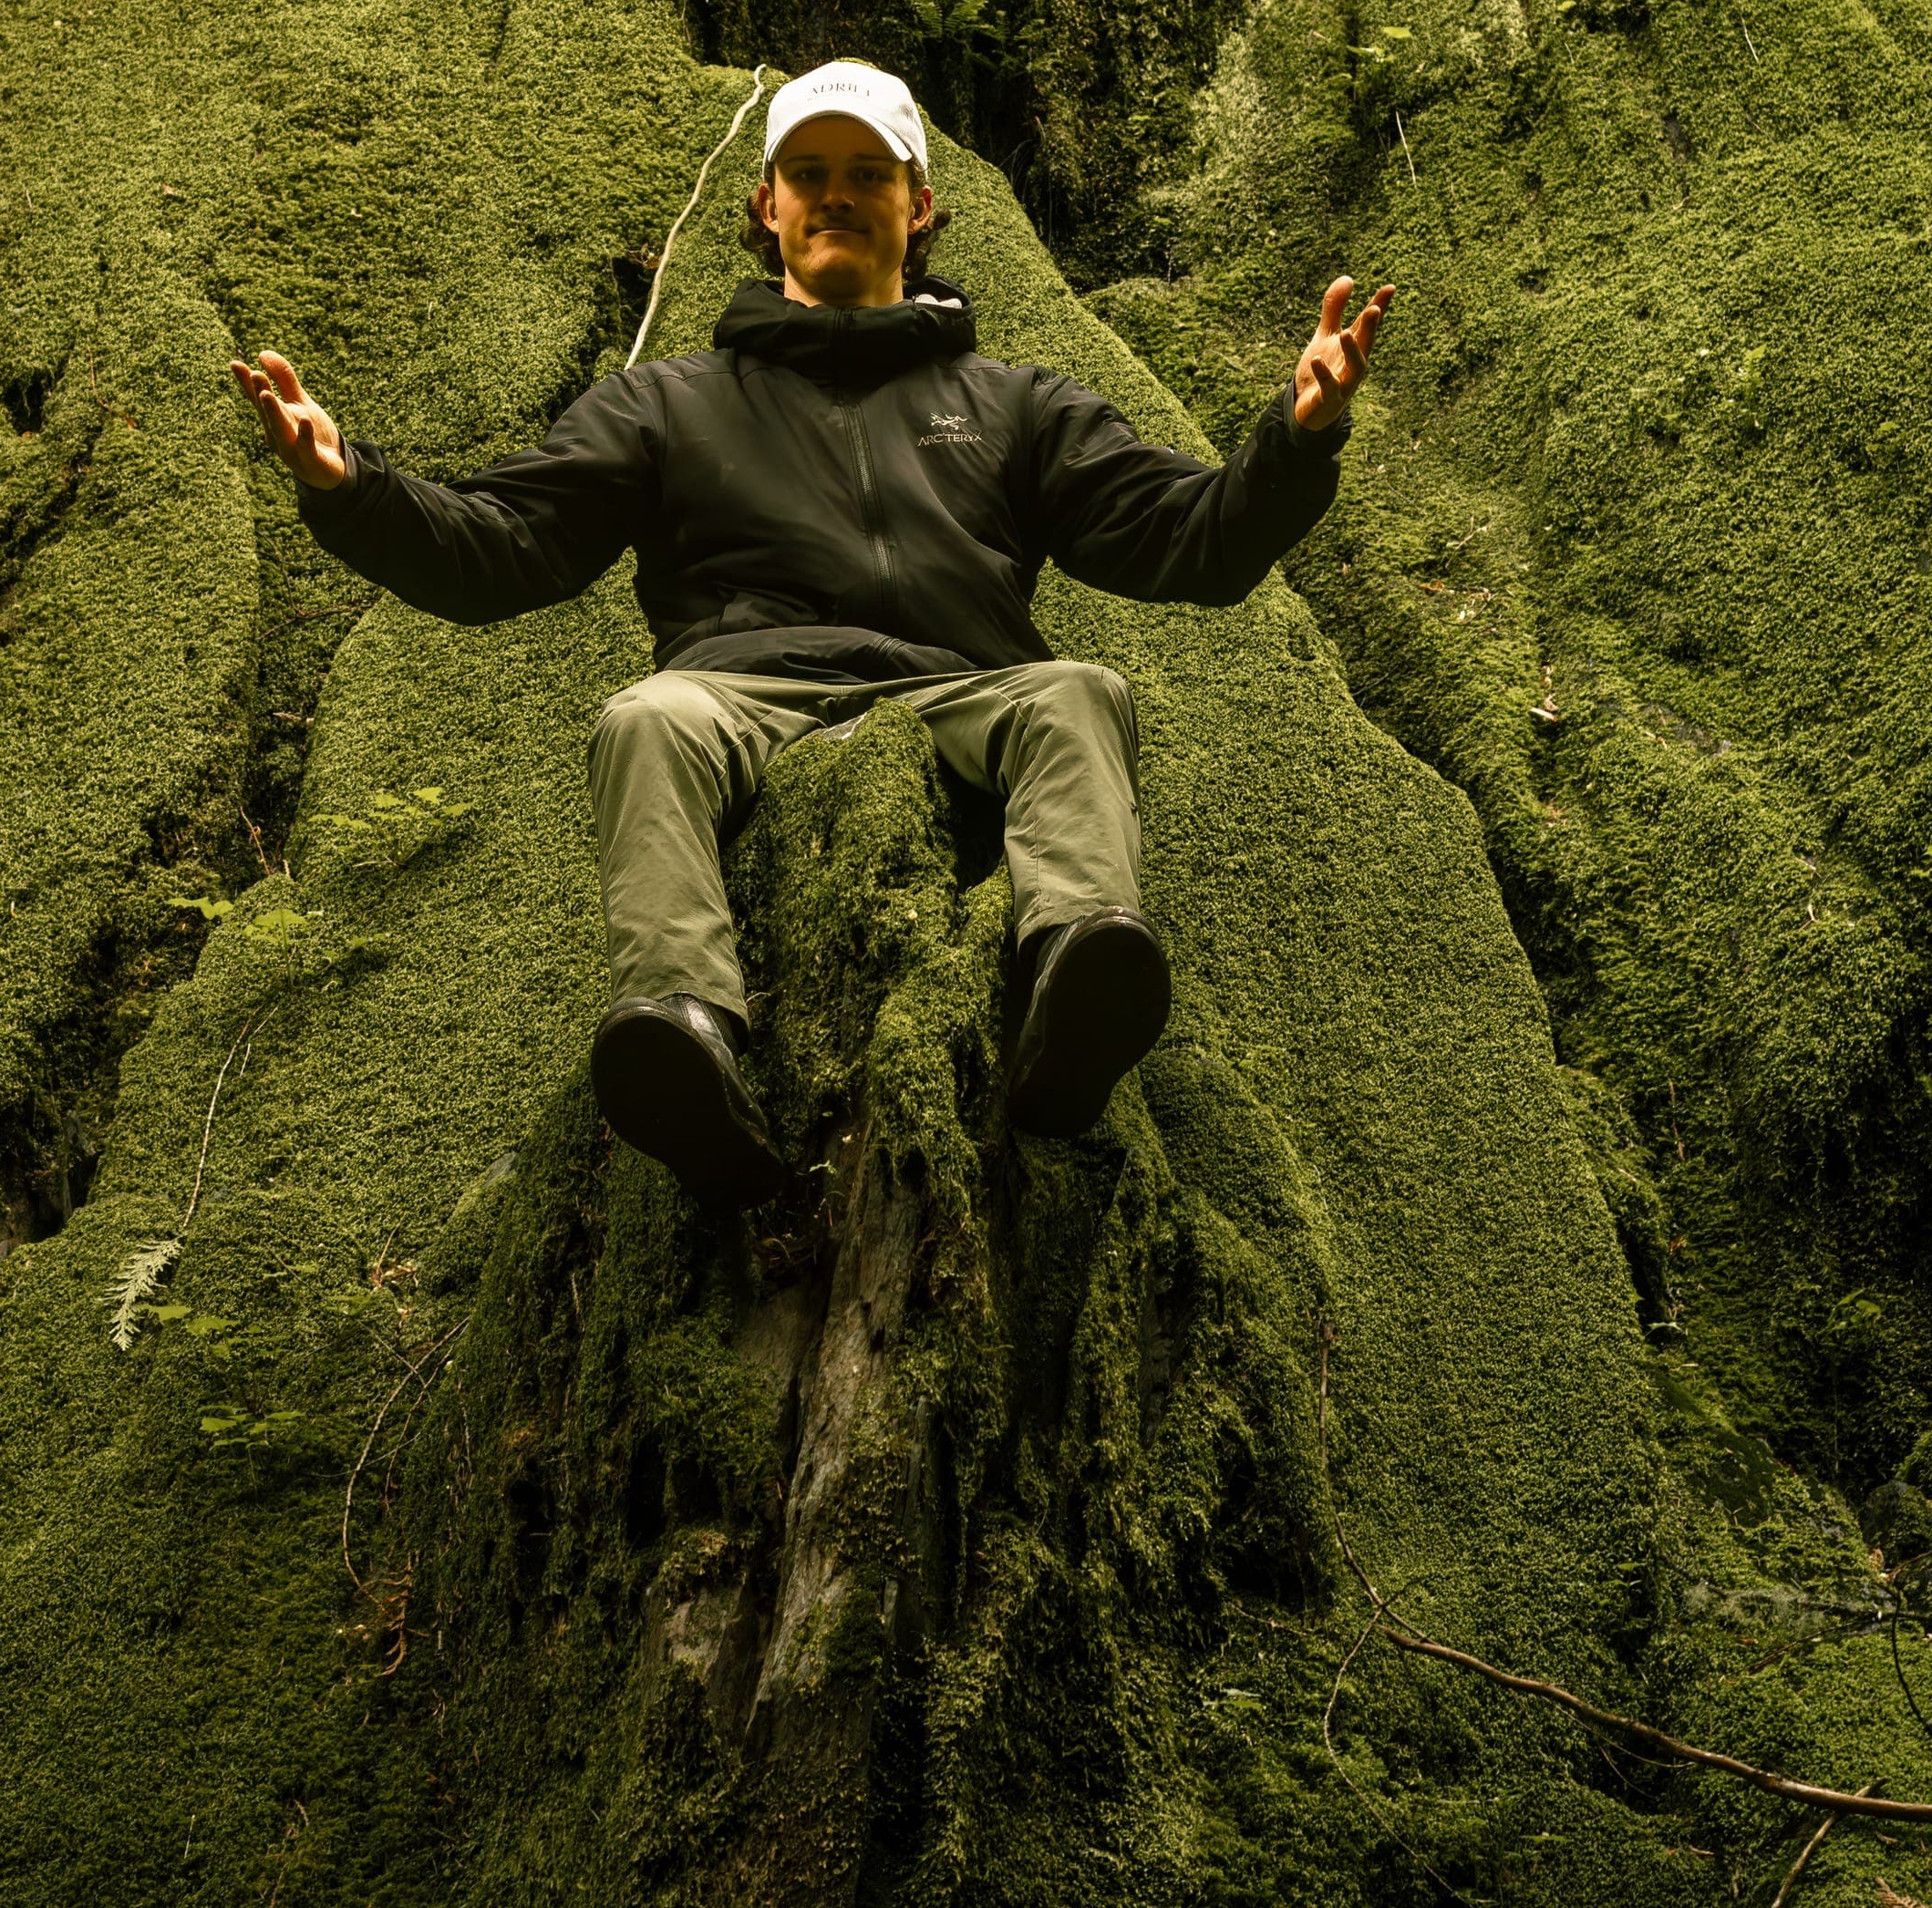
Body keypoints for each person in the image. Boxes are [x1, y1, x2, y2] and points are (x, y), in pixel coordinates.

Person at [231, 61, 1390, 1207]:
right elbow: (498, 551)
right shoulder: (666, 404)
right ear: (767, 205)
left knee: (1078, 689)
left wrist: (1296, 436)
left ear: (919, 203)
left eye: (865, 172)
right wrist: (351, 487)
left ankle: (1073, 980)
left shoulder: (1017, 405)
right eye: (808, 173)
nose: (835, 194)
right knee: (646, 717)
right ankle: (683, 1032)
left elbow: (1192, 540)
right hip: (742, 695)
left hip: (960, 691)